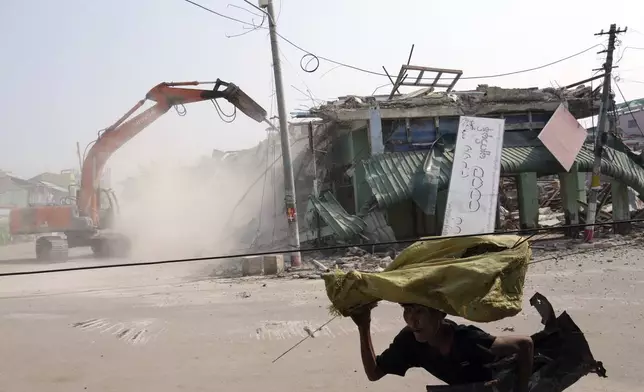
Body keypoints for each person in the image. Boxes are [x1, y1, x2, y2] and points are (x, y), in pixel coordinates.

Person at [351, 303, 534, 392]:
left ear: (440, 313)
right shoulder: (410, 340)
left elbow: (525, 344)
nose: (412, 320)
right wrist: (363, 326)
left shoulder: (466, 339)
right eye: (408, 310)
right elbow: (374, 373)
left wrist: (522, 389)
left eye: (420, 311)